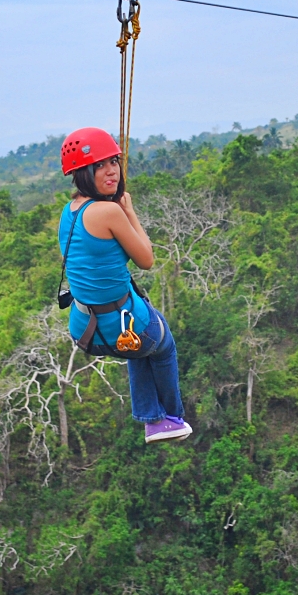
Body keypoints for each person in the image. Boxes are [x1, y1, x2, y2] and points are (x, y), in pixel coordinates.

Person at [58, 127, 191, 443]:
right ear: (82, 173)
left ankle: (151, 418)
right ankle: (171, 417)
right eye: (100, 166)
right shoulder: (109, 211)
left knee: (137, 344)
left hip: (84, 329)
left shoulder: (70, 211)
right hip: (121, 327)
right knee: (161, 343)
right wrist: (129, 211)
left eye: (113, 162)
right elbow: (146, 259)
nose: (111, 171)